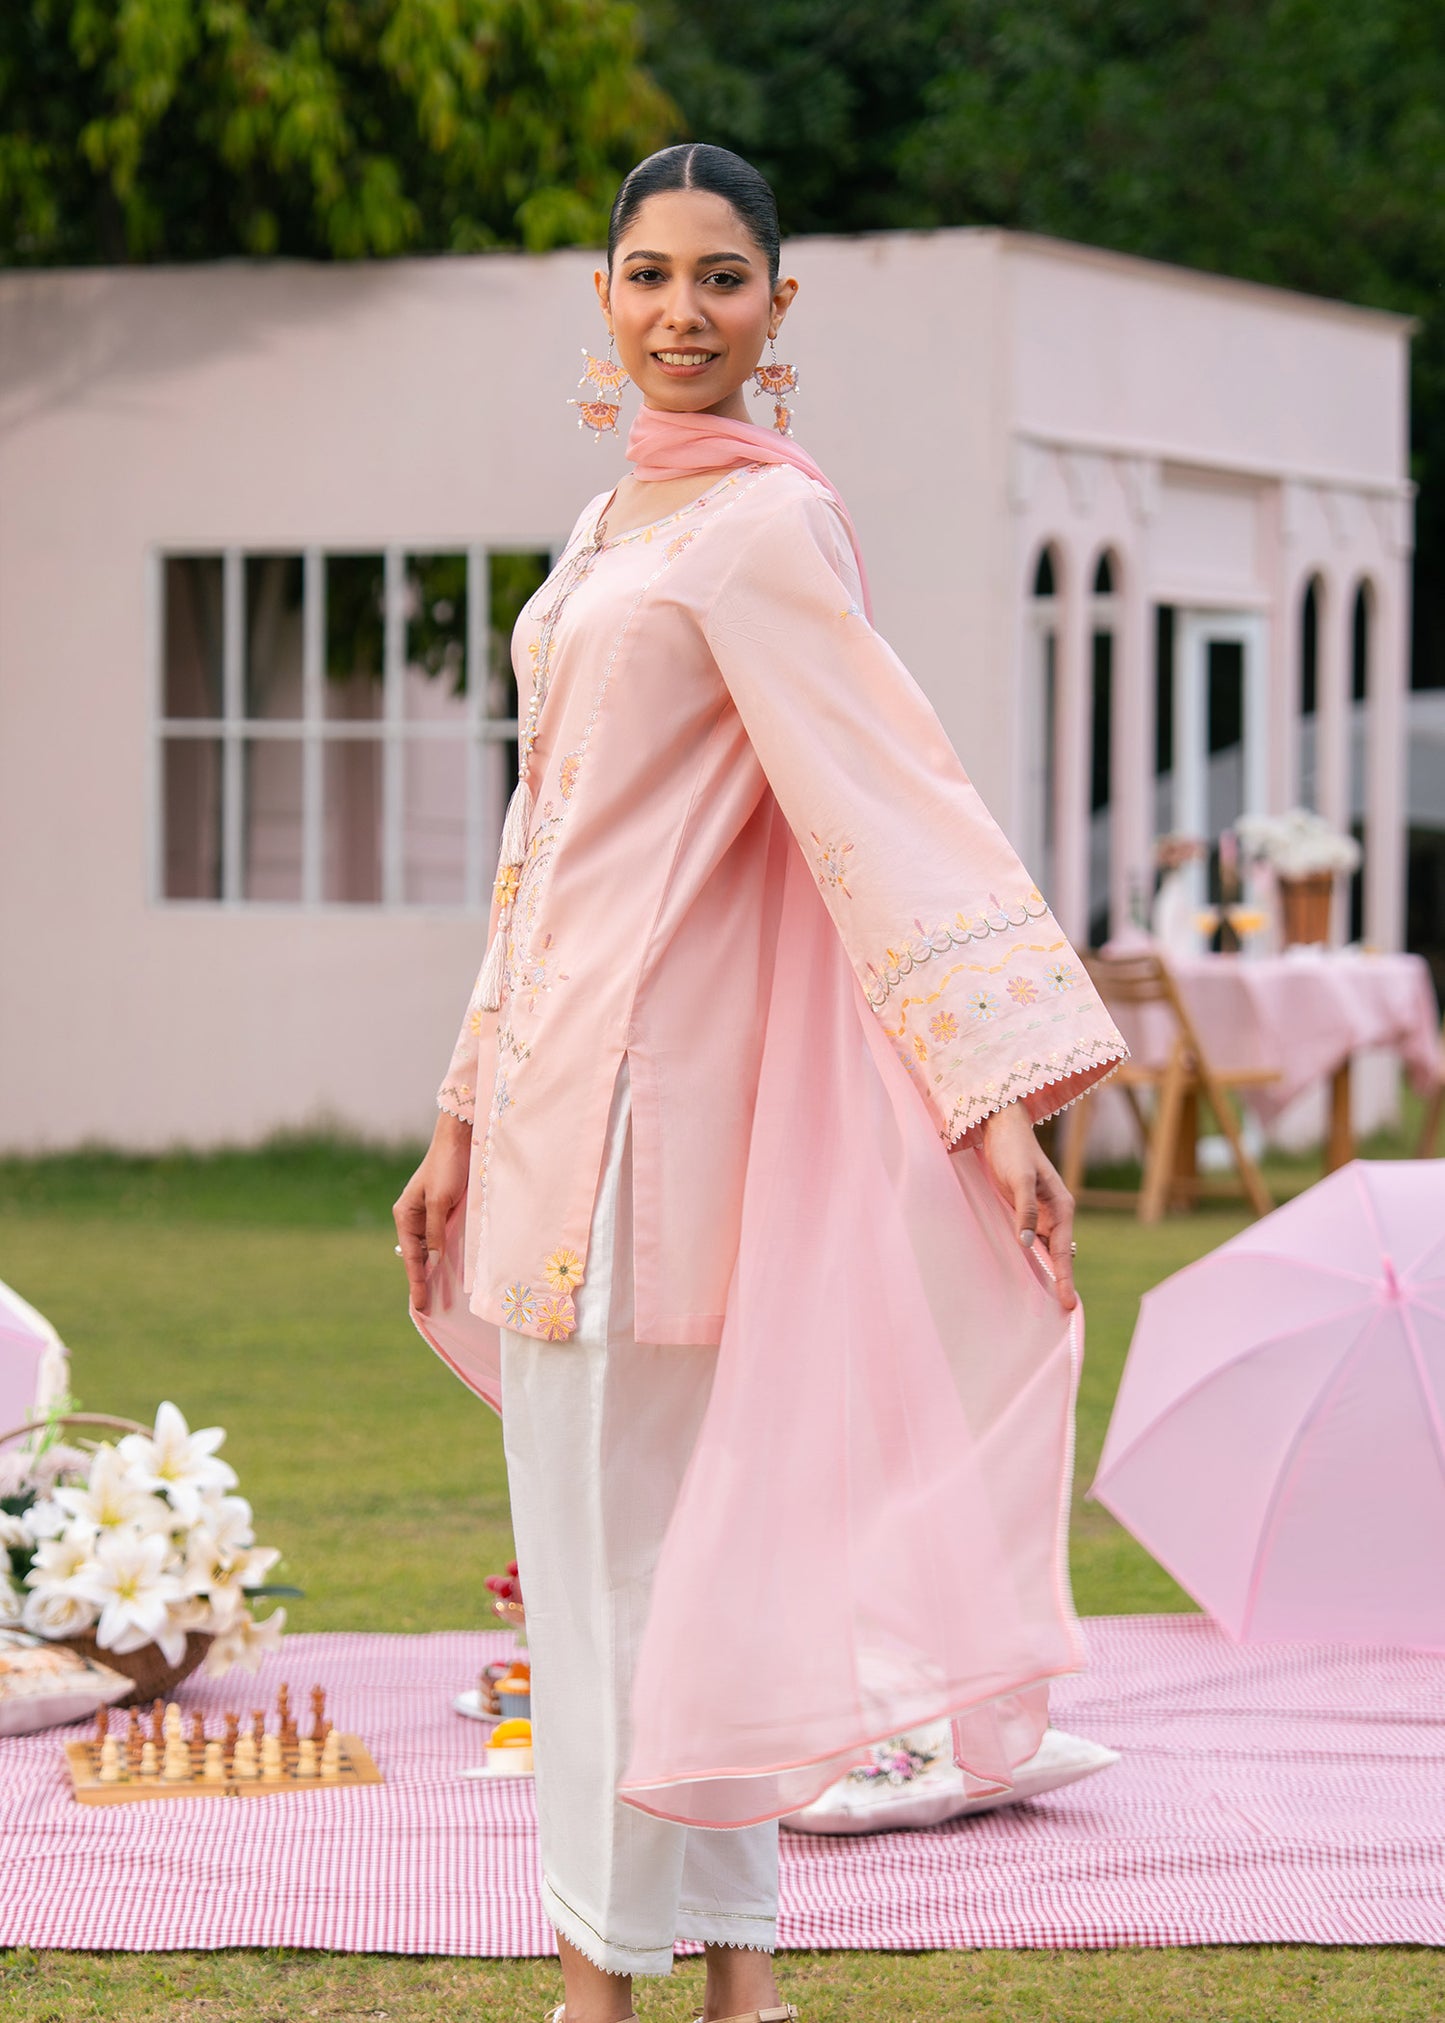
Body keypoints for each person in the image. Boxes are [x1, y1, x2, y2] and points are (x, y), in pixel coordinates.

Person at [396, 144, 1127, 2023]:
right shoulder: (603, 536)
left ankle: (599, 1984)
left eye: (722, 281)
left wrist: (991, 1094)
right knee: (616, 1561)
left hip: (664, 1126)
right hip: (549, 1110)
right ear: (603, 296)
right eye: (648, 276)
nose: (680, 314)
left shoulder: (762, 531)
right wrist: (459, 1110)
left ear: (777, 310)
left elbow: (890, 806)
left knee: (630, 1566)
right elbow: (535, 847)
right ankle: (731, 1977)